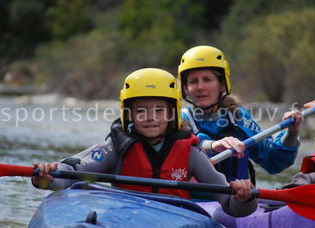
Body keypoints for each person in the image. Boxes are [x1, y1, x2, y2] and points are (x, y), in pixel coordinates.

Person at [32, 68, 257, 217]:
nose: (150, 117)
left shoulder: (190, 153)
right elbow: (72, 171)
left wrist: (243, 197)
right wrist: (48, 176)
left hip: (175, 219)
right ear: (128, 114)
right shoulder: (118, 148)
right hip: (125, 217)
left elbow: (229, 205)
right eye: (141, 110)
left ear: (172, 114)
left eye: (159, 110)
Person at [178, 45, 303, 184]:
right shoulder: (179, 120)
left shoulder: (238, 117)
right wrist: (212, 145)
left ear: (222, 84)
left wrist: (291, 134)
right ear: (186, 88)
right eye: (193, 81)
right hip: (192, 202)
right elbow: (186, 149)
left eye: (207, 79)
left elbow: (273, 162)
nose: (200, 87)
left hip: (237, 201)